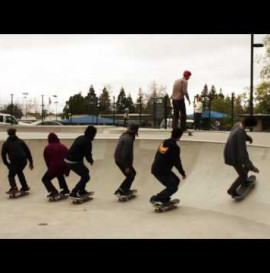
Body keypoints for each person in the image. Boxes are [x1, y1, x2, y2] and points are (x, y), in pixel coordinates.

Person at [224, 116, 259, 197]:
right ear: (249, 125)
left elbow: (243, 133)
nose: (252, 128)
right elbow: (243, 154)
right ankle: (231, 190)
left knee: (246, 167)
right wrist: (252, 167)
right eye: (252, 127)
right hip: (233, 157)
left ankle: (243, 181)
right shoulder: (240, 134)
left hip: (230, 151)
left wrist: (248, 138)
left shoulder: (237, 124)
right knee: (243, 174)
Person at [150, 128, 186, 205]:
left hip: (157, 167)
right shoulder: (175, 147)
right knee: (173, 187)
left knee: (176, 180)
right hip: (161, 171)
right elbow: (177, 162)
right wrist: (182, 173)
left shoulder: (164, 142)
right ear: (180, 136)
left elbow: (157, 154)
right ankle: (157, 198)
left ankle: (164, 198)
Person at [65, 126, 97, 198]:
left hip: (68, 159)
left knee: (85, 172)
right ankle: (74, 191)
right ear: (92, 134)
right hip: (74, 161)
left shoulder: (80, 137)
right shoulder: (87, 142)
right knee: (86, 177)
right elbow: (87, 154)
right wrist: (90, 161)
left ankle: (81, 190)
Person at [1, 127, 33, 194]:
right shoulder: (21, 141)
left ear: (8, 134)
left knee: (11, 175)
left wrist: (6, 163)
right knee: (19, 172)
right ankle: (25, 186)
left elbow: (3, 154)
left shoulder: (6, 143)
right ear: (15, 133)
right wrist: (31, 162)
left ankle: (14, 187)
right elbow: (27, 151)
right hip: (23, 160)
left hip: (15, 161)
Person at [114, 122, 139, 197]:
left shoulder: (125, 135)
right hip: (122, 160)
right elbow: (125, 154)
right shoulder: (128, 140)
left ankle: (124, 189)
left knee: (133, 173)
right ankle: (121, 190)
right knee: (130, 176)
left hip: (119, 159)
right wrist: (127, 166)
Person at [42, 133, 70, 198]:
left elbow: (47, 160)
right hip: (63, 166)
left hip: (54, 167)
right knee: (60, 174)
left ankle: (53, 191)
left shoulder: (47, 148)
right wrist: (68, 170)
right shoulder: (63, 146)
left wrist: (49, 168)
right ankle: (65, 189)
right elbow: (68, 158)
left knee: (45, 179)